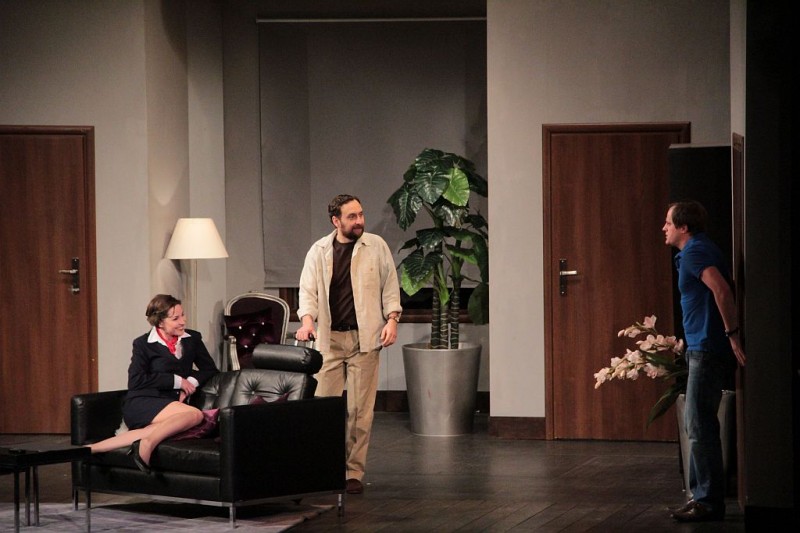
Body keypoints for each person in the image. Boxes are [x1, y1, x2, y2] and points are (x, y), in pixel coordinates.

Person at [295, 194, 402, 495]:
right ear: (336, 221)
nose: (359, 221)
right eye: (352, 216)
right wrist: (307, 322)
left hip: (364, 339)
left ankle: (353, 472)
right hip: (329, 341)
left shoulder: (376, 246)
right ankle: (323, 469)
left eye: (361, 214)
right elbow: (308, 292)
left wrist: (392, 320)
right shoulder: (319, 251)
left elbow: (390, 286)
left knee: (359, 412)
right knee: (323, 409)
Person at [662, 201, 746, 522]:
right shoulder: (695, 250)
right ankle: (700, 496)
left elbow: (721, 290)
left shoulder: (696, 251)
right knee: (696, 424)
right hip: (700, 346)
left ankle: (708, 502)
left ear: (684, 227)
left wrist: (732, 334)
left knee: (699, 425)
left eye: (669, 223)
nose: (664, 228)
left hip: (707, 348)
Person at [88, 294, 218, 473]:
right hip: (143, 401)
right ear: (160, 322)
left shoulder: (192, 339)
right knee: (195, 415)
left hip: (170, 405)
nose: (183, 321)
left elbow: (209, 369)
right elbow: (136, 380)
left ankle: (92, 449)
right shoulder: (143, 344)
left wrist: (190, 383)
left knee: (154, 429)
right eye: (175, 318)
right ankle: (148, 444)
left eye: (182, 315)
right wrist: (177, 381)